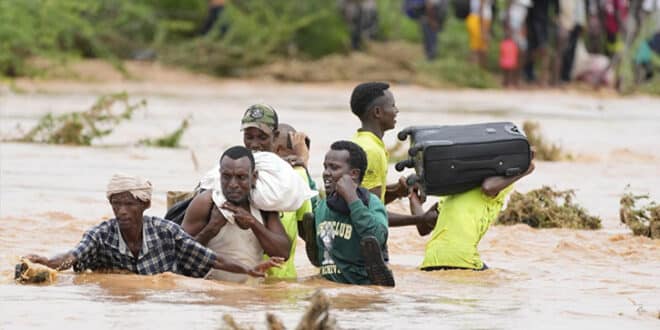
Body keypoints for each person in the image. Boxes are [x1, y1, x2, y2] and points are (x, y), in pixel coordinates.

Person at [24, 174, 282, 278]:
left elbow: (212, 259)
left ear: (145, 204)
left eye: (129, 205)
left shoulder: (166, 232)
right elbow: (72, 256)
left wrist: (248, 269)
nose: (122, 211)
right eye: (116, 204)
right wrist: (46, 263)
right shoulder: (100, 235)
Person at [182, 146, 291, 283]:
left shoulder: (263, 206)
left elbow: (282, 254)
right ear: (220, 175)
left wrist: (253, 222)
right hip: (211, 298)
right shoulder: (206, 203)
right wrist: (211, 230)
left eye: (241, 177)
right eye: (226, 177)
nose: (233, 184)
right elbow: (181, 254)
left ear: (254, 177)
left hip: (250, 297)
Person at [409, 153, 536, 271]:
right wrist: (524, 170)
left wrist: (413, 198)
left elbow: (423, 226)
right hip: (463, 260)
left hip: (430, 261)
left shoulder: (453, 190)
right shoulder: (495, 186)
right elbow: (488, 187)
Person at [350, 82, 435, 228]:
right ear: (377, 112)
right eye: (392, 105)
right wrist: (420, 218)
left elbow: (363, 200)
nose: (397, 110)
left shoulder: (361, 141)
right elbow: (371, 216)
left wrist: (395, 191)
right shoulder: (372, 151)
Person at [315, 141, 394, 286]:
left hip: (362, 290)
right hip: (331, 287)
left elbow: (377, 237)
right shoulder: (322, 206)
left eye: (334, 167)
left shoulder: (372, 203)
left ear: (354, 174)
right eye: (325, 167)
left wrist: (352, 199)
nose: (326, 172)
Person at [266, 123, 315, 279]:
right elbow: (308, 233)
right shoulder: (298, 176)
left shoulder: (248, 175)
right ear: (280, 150)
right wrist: (304, 165)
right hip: (284, 277)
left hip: (254, 277)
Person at [466, 0, 494, 67]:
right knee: (479, 49)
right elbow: (481, 8)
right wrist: (483, 29)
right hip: (479, 20)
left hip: (478, 19)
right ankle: (477, 71)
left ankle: (477, 71)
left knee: (478, 48)